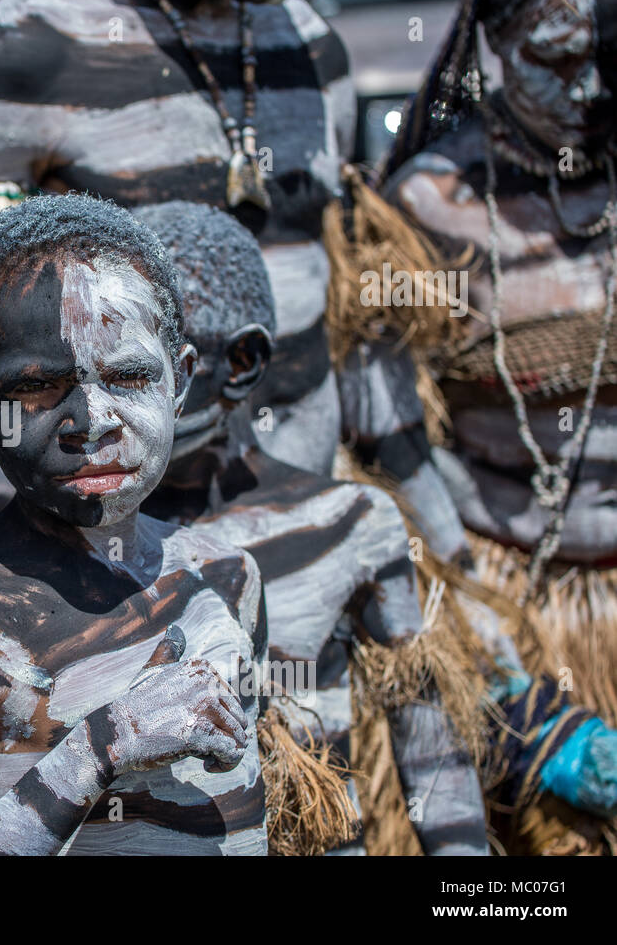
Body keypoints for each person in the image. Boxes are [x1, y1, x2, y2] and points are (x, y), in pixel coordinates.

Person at [0, 0, 433, 564]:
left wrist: (433, 532)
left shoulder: (308, 41)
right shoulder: (27, 44)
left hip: (301, 523)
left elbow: (348, 318)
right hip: (101, 540)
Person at [0, 194, 266, 855]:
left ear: (182, 381)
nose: (92, 420)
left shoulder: (226, 577)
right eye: (38, 388)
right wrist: (102, 744)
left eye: (129, 375)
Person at [138, 201, 490, 855]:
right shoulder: (71, 539)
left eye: (145, 368)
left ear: (240, 363)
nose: (109, 400)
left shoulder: (349, 524)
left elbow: (435, 761)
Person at [370, 0, 617, 852]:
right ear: (496, 42)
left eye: (608, 56)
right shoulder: (432, 209)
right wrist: (512, 689)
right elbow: (386, 452)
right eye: (556, 59)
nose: (589, 89)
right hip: (503, 602)